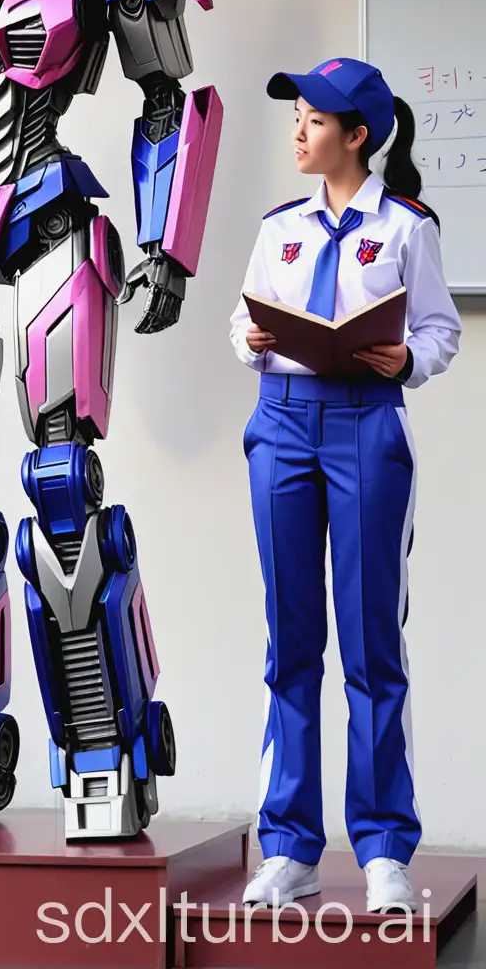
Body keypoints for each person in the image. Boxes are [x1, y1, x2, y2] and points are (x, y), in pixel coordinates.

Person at [229, 59, 461, 914]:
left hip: (367, 424)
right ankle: (289, 847)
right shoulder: (279, 227)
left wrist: (409, 358)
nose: (297, 131)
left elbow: (438, 331)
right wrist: (249, 339)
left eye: (313, 120)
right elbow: (240, 318)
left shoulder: (404, 227)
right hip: (281, 423)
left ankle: (384, 851)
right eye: (295, 116)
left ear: (356, 135)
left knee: (371, 649)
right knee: (290, 645)